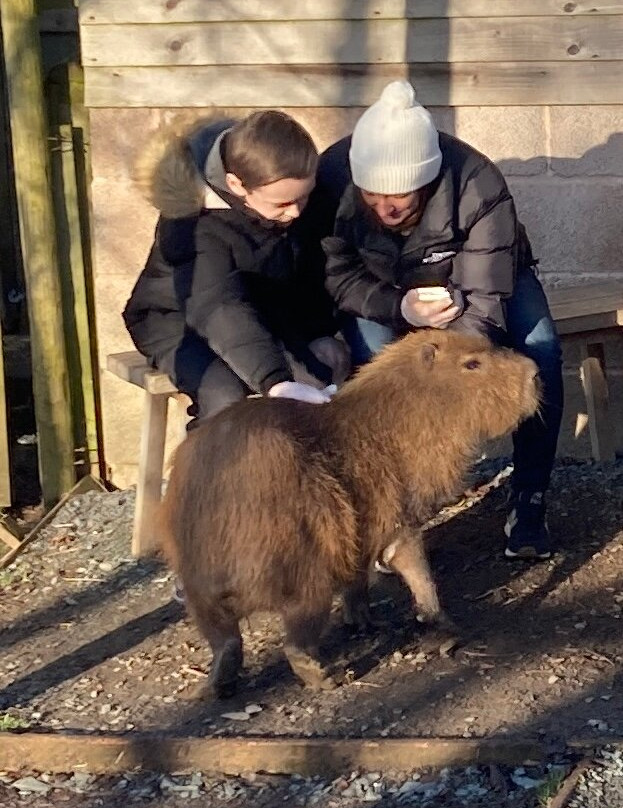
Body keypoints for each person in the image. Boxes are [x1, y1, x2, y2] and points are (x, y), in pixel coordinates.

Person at [318, 80, 563, 561]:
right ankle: (385, 512)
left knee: (542, 349)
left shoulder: (477, 183)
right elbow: (335, 273)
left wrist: (454, 364)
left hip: (482, 279)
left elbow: (488, 295)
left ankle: (530, 496)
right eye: (371, 195)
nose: (384, 208)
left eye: (401, 197)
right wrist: (398, 308)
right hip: (382, 290)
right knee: (372, 362)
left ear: (428, 180)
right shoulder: (332, 175)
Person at [123, 110, 350, 428]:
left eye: (304, 197)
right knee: (223, 394)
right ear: (236, 184)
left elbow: (308, 270)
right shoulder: (193, 225)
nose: (297, 211)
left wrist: (315, 334)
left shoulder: (291, 197)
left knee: (318, 379)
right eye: (282, 205)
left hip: (259, 311)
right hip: (178, 319)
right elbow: (219, 308)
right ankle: (210, 475)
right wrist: (274, 380)